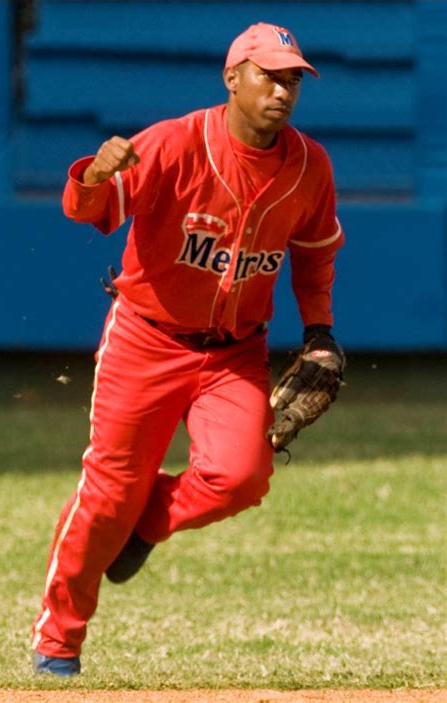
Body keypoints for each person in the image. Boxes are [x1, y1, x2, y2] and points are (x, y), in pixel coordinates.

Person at [32, 22, 344, 675]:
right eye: (269, 74)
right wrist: (94, 170)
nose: (282, 90)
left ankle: (145, 524)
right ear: (233, 78)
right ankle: (58, 643)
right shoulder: (175, 144)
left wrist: (318, 328)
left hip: (234, 353)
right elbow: (88, 209)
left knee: (241, 476)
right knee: (108, 492)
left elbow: (314, 256)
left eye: (292, 79)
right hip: (145, 339)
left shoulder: (310, 165)